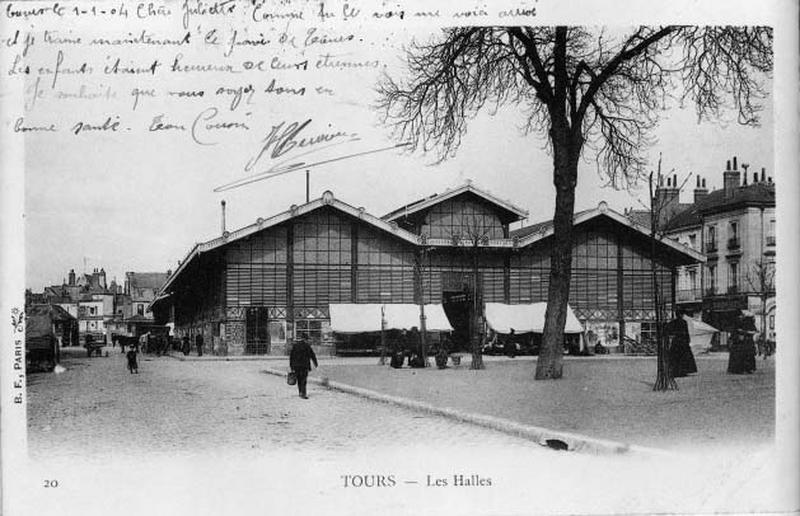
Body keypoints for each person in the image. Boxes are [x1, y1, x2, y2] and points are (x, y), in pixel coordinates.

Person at [666, 309, 697, 377]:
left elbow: (668, 329)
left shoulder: (673, 322)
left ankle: (675, 370)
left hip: (676, 341)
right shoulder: (684, 322)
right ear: (681, 315)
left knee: (675, 357)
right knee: (684, 357)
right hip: (683, 341)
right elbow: (686, 332)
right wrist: (688, 340)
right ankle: (683, 371)